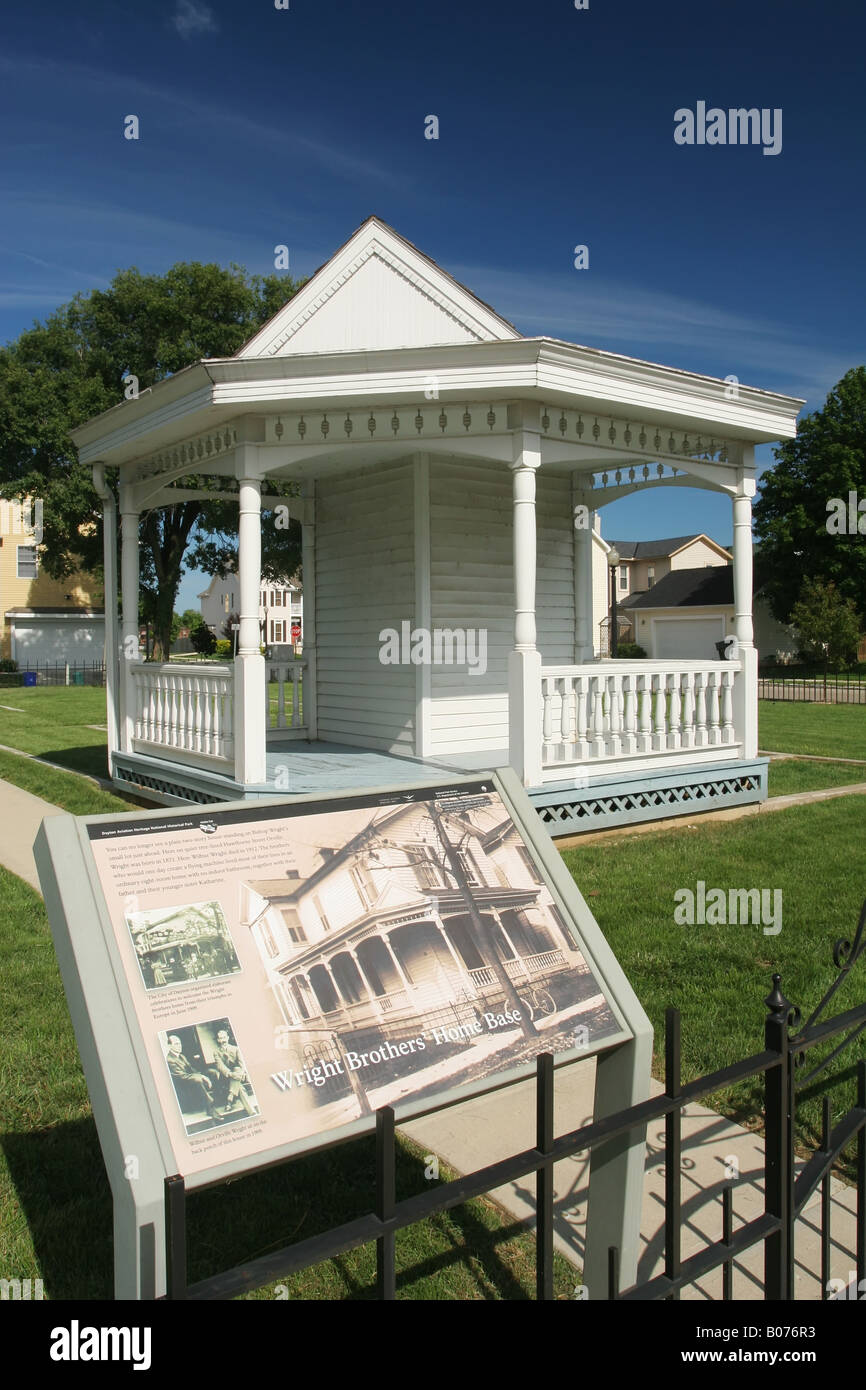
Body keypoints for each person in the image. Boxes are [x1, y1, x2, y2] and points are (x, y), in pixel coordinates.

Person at [165, 1035, 220, 1120]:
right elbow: (183, 1076)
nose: (179, 1045)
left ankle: (219, 1100)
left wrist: (203, 1075)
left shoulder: (181, 1056)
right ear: (169, 1046)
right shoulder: (170, 1060)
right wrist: (201, 1077)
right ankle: (210, 1109)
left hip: (191, 1078)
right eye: (176, 1044)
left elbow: (192, 1070)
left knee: (212, 1072)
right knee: (197, 1079)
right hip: (184, 1085)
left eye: (179, 1043)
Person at [212, 1029, 258, 1117]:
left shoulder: (235, 1049)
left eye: (224, 1037)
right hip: (226, 1078)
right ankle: (251, 1110)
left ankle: (230, 1099)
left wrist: (242, 1072)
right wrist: (230, 1074)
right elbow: (220, 1066)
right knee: (240, 1087)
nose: (223, 1040)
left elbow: (242, 1064)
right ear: (218, 1040)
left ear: (228, 1038)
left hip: (238, 1075)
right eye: (220, 1038)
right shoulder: (216, 1052)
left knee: (237, 1068)